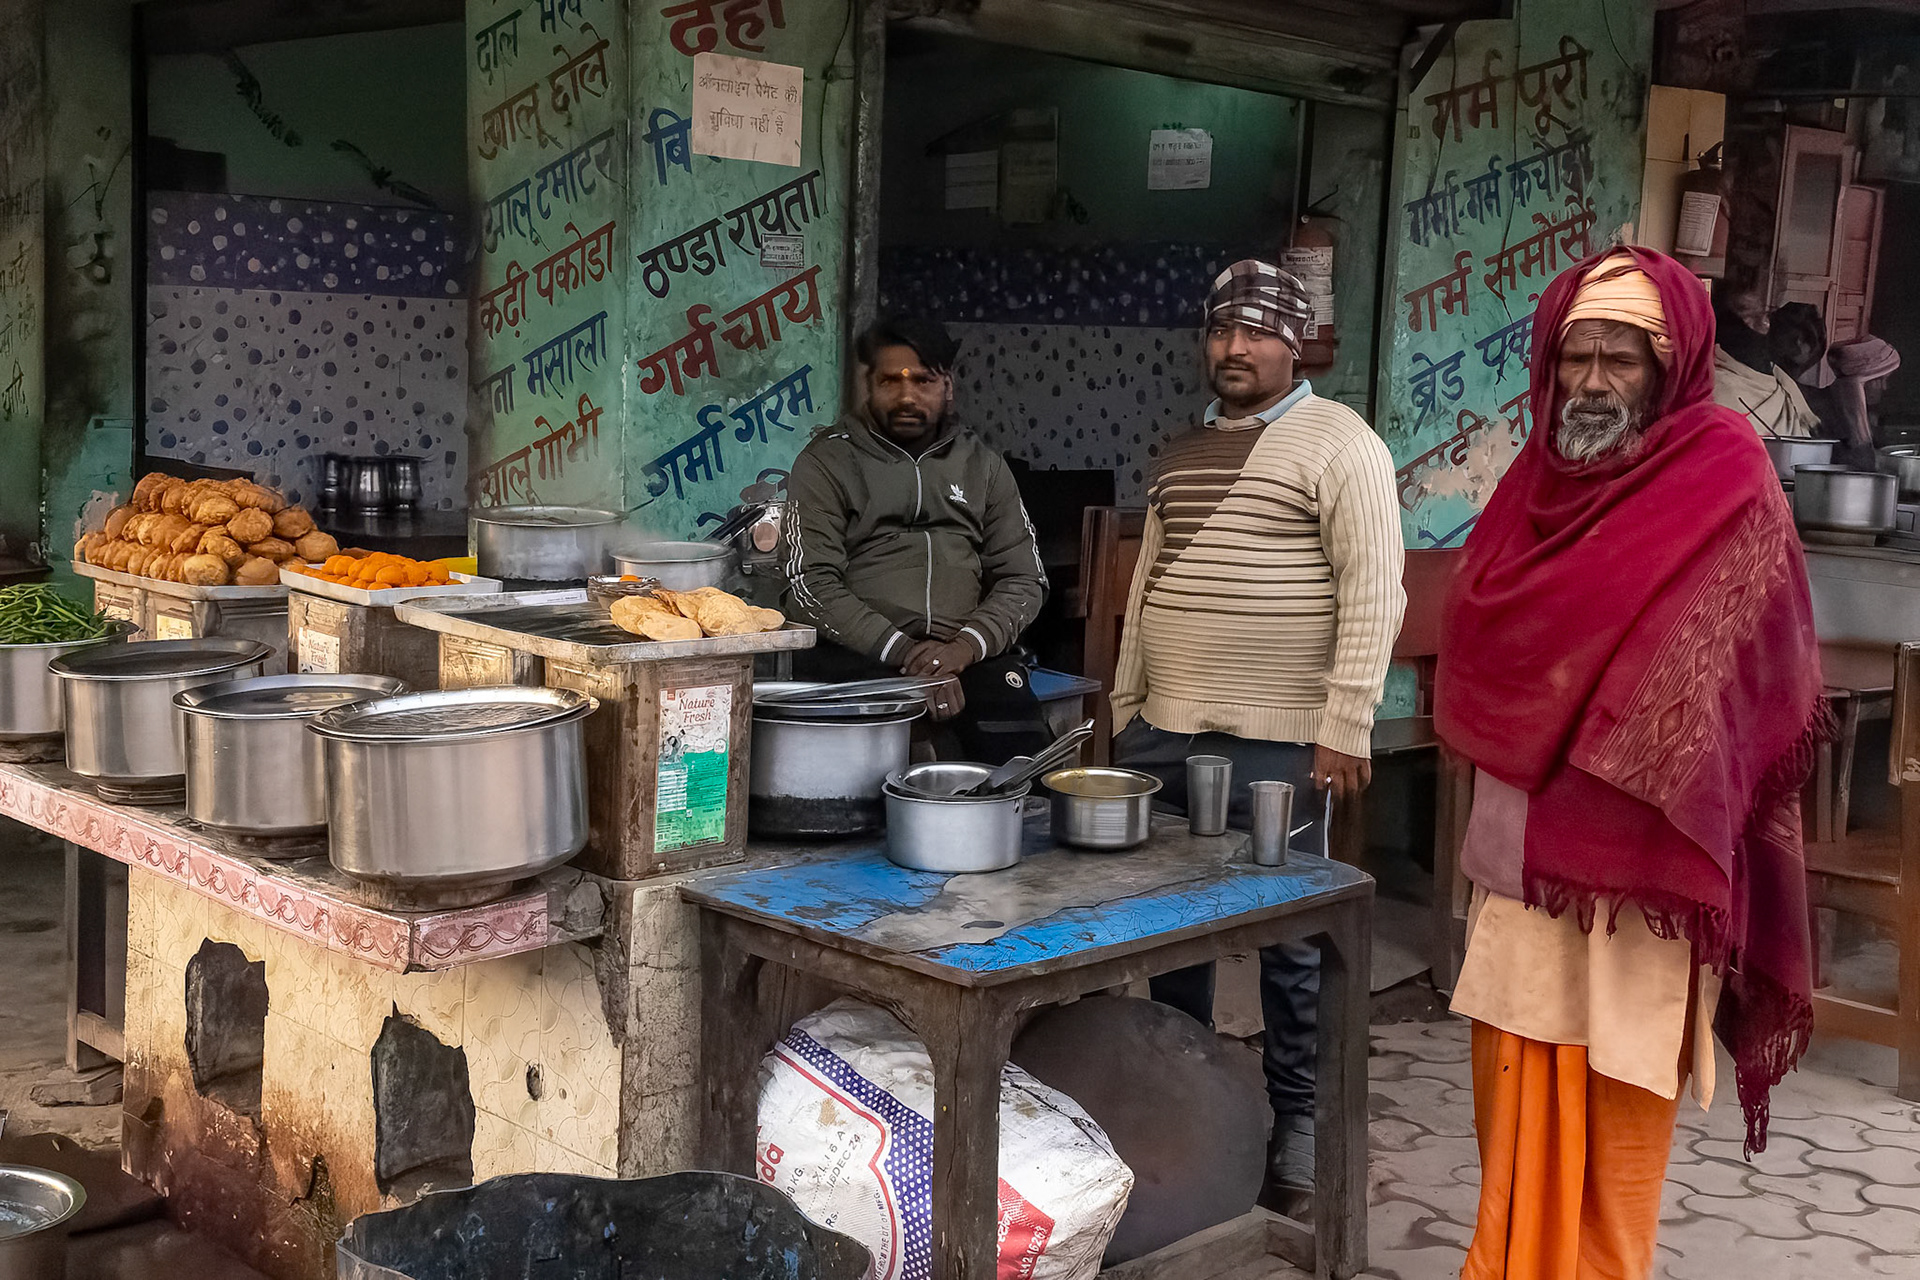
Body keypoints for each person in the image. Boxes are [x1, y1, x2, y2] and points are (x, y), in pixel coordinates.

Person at [1435, 248, 1822, 1279]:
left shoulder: (1729, 474)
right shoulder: (1532, 484)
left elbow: (1764, 663)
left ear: (1672, 364)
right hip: (1527, 853)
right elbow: (1480, 629)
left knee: (1620, 1095)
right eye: (1577, 357)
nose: (1596, 381)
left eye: (1623, 357)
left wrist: (1636, 725)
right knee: (1511, 1076)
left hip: (1652, 862)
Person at [1109, 259, 1405, 1211]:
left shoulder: (1342, 445)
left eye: (1259, 330)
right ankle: (1188, 1122)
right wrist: (1125, 712)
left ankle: (1301, 1135)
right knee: (1166, 937)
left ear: (1300, 341)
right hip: (1167, 732)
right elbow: (1144, 590)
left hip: (1286, 744)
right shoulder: (1181, 449)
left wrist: (1345, 726)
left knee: (1296, 950)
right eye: (1221, 330)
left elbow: (1374, 592)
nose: (1235, 348)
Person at [779, 316, 1052, 764]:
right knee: (843, 795)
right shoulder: (827, 461)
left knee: (1025, 777)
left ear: (949, 385)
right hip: (859, 655)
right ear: (868, 385)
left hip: (967, 655)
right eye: (890, 380)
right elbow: (808, 583)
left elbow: (1024, 579)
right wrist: (909, 658)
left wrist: (961, 649)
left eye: (923, 380)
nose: (907, 396)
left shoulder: (983, 466)